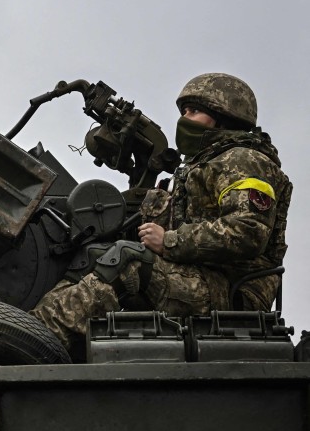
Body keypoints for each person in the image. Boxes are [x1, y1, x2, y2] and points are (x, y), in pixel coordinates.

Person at [30, 72, 292, 353]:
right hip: (197, 277)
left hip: (231, 291)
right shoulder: (197, 167)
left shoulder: (245, 161)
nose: (184, 119)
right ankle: (30, 327)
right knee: (93, 255)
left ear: (222, 117)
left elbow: (247, 232)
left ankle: (34, 343)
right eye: (184, 111)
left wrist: (168, 241)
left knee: (127, 261)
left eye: (195, 111)